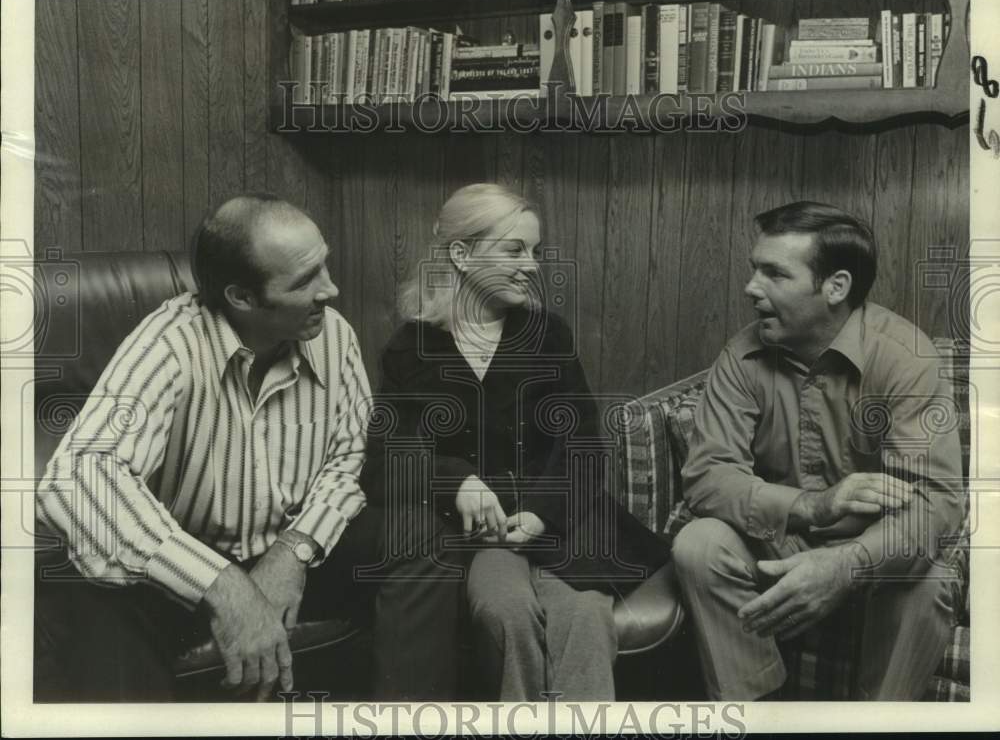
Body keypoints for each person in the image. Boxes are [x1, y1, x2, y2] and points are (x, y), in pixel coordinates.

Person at [34, 195, 461, 702]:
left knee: (415, 535)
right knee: (85, 593)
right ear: (241, 297)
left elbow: (347, 457)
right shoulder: (169, 343)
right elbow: (77, 478)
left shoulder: (333, 336)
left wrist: (295, 550)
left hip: (283, 541)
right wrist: (222, 586)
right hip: (181, 562)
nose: (331, 288)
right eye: (305, 281)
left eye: (323, 264)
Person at [360, 183, 676, 701]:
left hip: (568, 523)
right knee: (503, 611)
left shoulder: (547, 333)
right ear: (461, 255)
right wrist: (456, 480)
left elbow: (583, 446)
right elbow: (385, 460)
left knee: (583, 617)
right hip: (482, 538)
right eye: (514, 250)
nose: (530, 265)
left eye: (535, 251)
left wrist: (540, 515)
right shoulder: (410, 348)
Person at [671, 200, 963, 701]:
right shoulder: (741, 357)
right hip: (784, 539)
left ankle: (875, 726)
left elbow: (935, 506)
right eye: (753, 269)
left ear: (836, 287)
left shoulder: (906, 359)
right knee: (699, 543)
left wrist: (847, 564)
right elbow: (708, 476)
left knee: (928, 581)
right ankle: (762, 714)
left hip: (875, 552)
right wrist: (813, 505)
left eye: (774, 274)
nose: (751, 288)